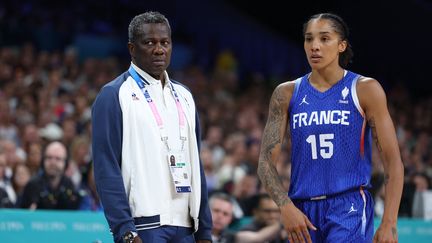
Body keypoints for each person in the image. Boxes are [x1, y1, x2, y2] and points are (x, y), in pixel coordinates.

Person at [257, 13, 404, 243]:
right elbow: (265, 163)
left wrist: (389, 224)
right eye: (309, 39)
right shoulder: (286, 93)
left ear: (341, 45)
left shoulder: (365, 89)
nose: (314, 46)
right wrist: (285, 206)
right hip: (302, 210)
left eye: (325, 39)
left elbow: (393, 162)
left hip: (349, 207)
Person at [91, 11, 212, 243]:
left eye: (164, 42)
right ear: (131, 49)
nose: (159, 49)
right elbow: (106, 167)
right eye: (149, 43)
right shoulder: (114, 94)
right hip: (143, 226)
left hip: (186, 227)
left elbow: (196, 165)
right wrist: (125, 230)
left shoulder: (185, 96)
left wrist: (204, 230)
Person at [20, 141, 81, 210]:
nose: (53, 163)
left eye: (58, 159)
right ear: (43, 161)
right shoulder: (33, 185)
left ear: (66, 163)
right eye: (49, 158)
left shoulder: (69, 185)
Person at [210, 192, 283, 243]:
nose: (220, 216)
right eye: (216, 211)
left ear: (230, 219)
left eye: (225, 214)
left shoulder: (231, 237)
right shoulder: (198, 233)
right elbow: (257, 237)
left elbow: (257, 238)